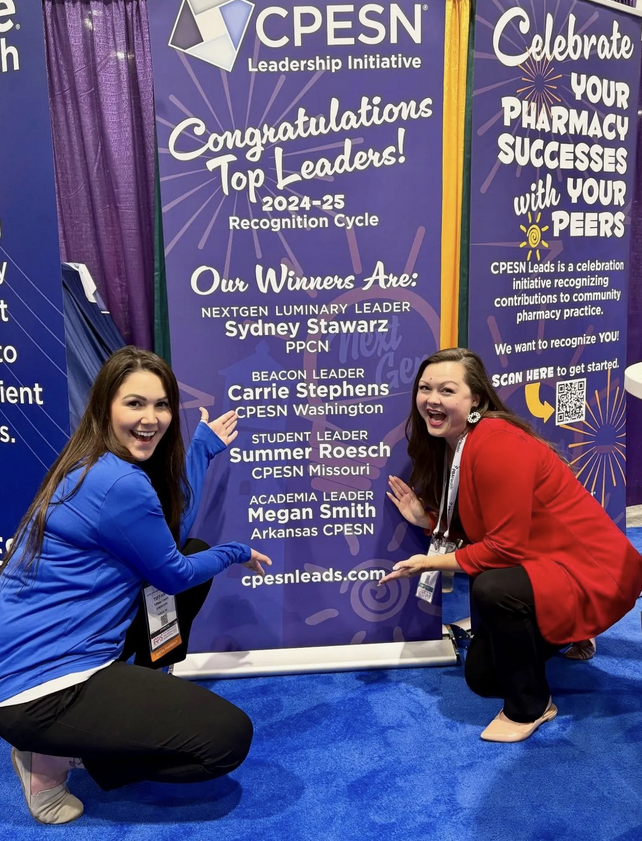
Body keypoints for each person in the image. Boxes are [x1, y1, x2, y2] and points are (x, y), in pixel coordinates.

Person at [0, 346, 271, 824]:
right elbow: (171, 573)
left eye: (161, 405)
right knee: (226, 741)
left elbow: (170, 543)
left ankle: (117, 706)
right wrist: (237, 552)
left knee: (191, 553)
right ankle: (50, 758)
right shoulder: (119, 482)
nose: (151, 418)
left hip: (40, 658)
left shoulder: (90, 460)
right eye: (135, 403)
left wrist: (202, 449)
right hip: (42, 690)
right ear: (106, 405)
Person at [383, 347, 642, 742]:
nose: (432, 399)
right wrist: (428, 521)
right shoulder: (456, 442)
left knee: (492, 587)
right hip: (545, 564)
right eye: (425, 388)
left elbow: (503, 548)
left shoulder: (498, 442)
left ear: (477, 400)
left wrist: (433, 562)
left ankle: (532, 706)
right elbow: (484, 527)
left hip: (591, 571)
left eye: (447, 390)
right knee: (484, 677)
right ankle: (567, 628)